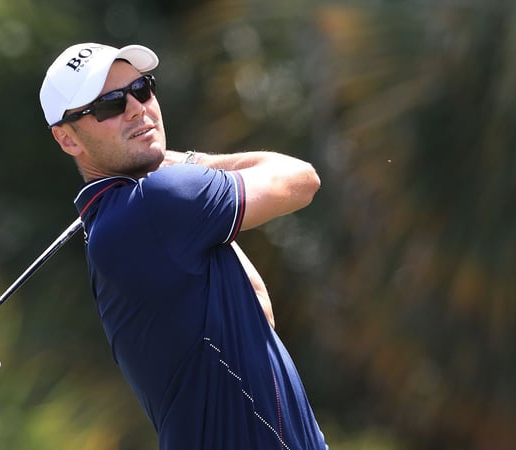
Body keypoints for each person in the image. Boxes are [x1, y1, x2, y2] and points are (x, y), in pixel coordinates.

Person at [40, 42, 328, 450]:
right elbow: (299, 179)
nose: (137, 108)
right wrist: (184, 160)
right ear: (68, 139)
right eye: (108, 104)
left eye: (141, 88)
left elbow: (259, 307)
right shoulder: (159, 202)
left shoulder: (123, 221)